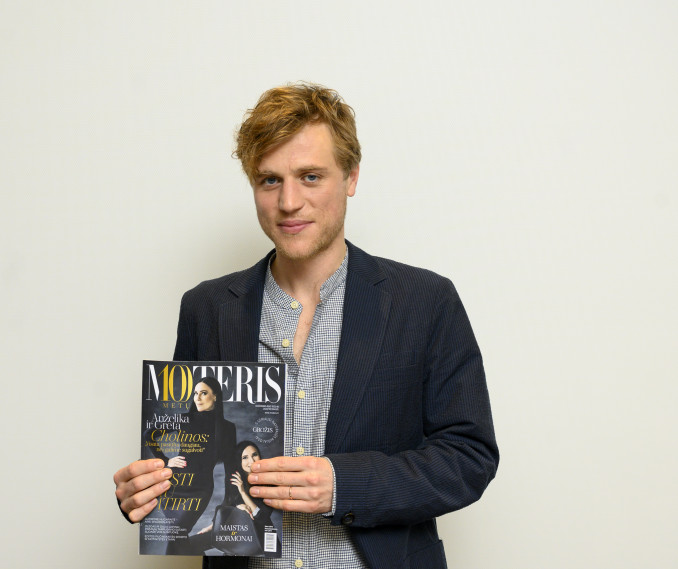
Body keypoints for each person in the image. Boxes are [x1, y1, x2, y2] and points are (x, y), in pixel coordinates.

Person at [114, 82, 499, 569]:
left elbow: (469, 457)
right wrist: (147, 492)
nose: (289, 201)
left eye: (310, 176)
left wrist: (343, 484)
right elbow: (188, 455)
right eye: (269, 180)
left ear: (351, 177)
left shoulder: (424, 301)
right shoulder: (207, 308)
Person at [142, 376, 236, 554]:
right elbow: (149, 434)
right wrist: (165, 461)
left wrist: (227, 504)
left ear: (215, 396)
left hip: (200, 490)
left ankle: (204, 547)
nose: (197, 398)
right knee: (176, 535)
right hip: (174, 486)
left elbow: (230, 469)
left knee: (177, 534)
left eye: (203, 393)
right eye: (195, 393)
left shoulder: (227, 428)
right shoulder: (184, 419)